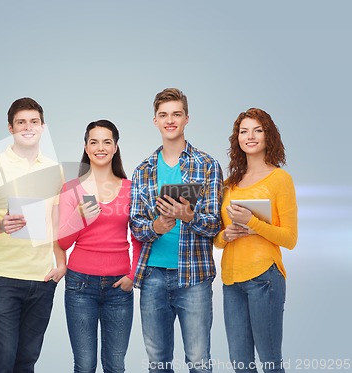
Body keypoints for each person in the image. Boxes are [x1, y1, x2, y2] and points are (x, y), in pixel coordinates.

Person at [130, 88, 223, 373]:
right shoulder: (142, 170)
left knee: (198, 361)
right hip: (153, 276)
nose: (170, 120)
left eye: (176, 114)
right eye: (164, 115)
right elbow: (135, 225)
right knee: (157, 363)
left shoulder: (207, 165)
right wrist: (155, 227)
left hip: (194, 276)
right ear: (155, 121)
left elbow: (215, 224)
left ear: (186, 119)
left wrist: (189, 215)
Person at [0, 97, 66, 373]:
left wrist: (61, 263)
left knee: (27, 359)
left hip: (42, 278)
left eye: (34, 122)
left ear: (43, 127)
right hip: (3, 275)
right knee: (3, 356)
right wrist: (1, 225)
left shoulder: (54, 170)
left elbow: (56, 222)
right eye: (21, 122)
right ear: (10, 128)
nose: (28, 127)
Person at [214, 108, 298, 373]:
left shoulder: (280, 179)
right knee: (241, 365)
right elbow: (216, 238)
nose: (250, 136)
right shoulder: (229, 184)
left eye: (257, 130)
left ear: (268, 135)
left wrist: (253, 222)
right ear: (236, 138)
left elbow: (290, 238)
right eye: (243, 131)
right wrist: (225, 236)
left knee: (270, 363)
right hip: (231, 281)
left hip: (265, 279)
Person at [58, 120, 141, 373]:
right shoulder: (71, 189)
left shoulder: (131, 189)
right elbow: (62, 241)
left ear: (115, 147)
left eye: (107, 142)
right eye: (94, 142)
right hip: (80, 285)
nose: (100, 147)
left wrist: (132, 276)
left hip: (119, 287)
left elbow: (138, 238)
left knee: (115, 365)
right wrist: (79, 216)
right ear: (86, 147)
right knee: (84, 365)